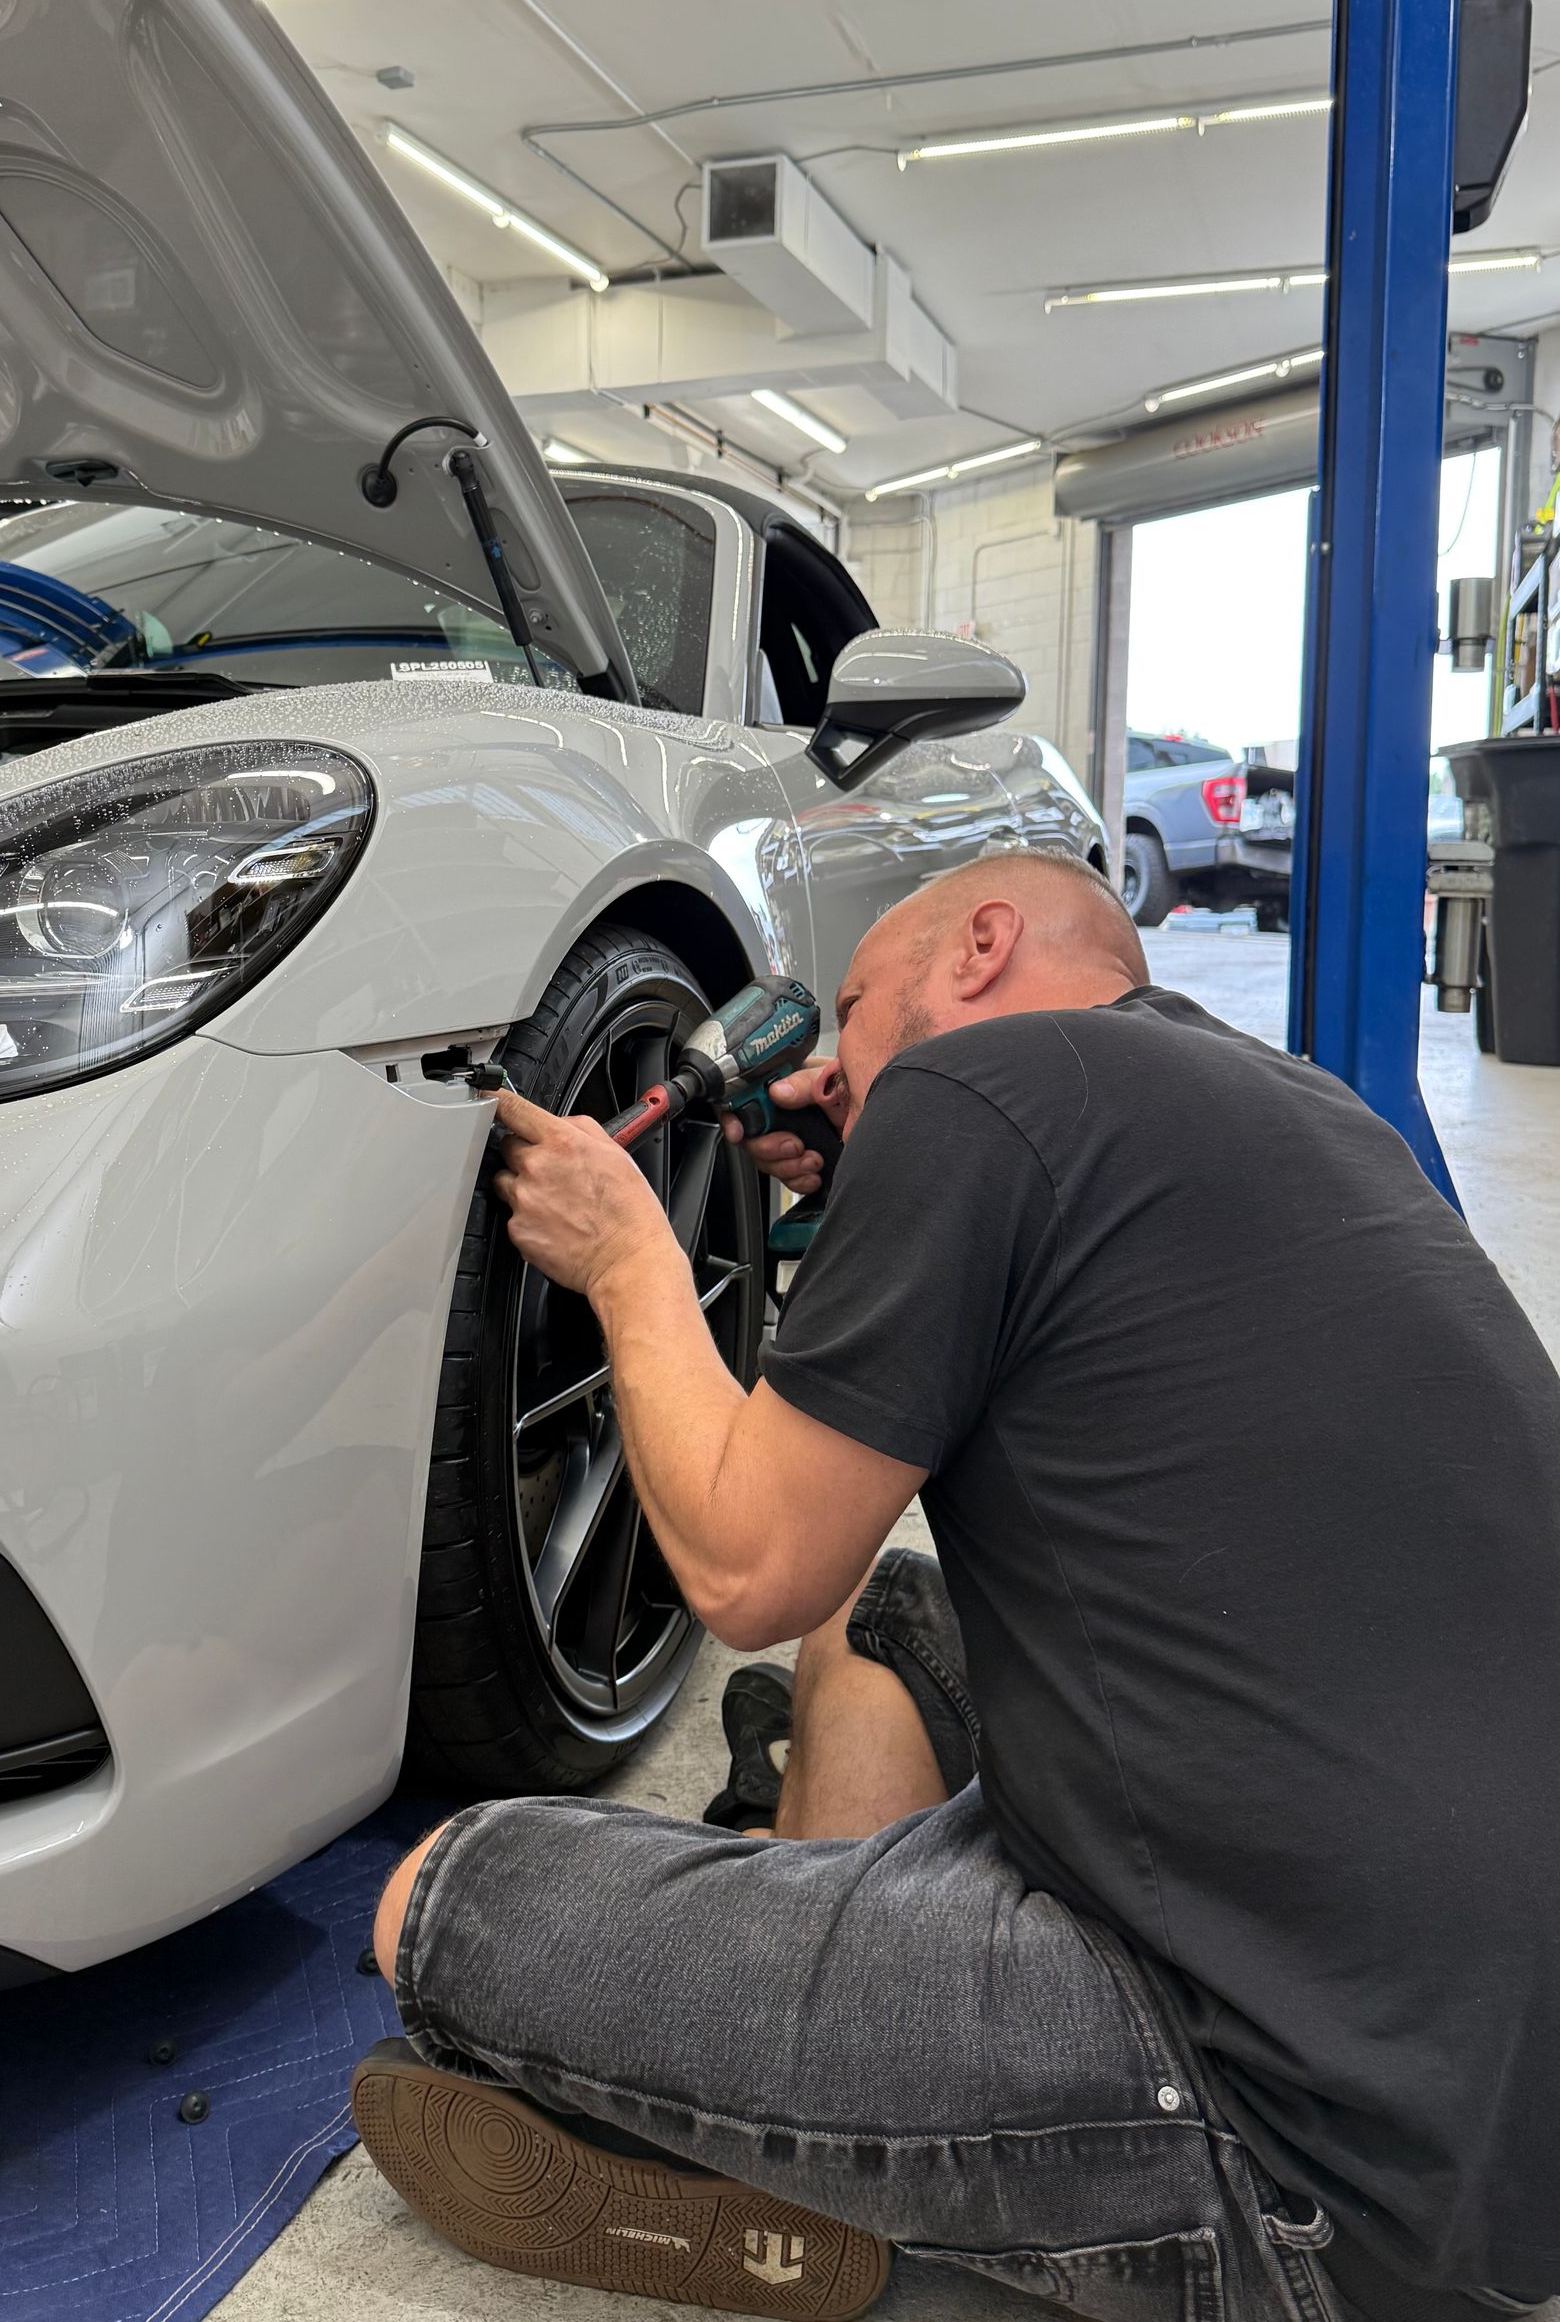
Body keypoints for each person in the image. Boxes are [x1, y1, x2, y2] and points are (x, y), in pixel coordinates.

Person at [357, 851, 1560, 2322]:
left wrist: (630, 1261)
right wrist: (885, 1183)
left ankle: (915, 2216)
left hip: (1286, 2132)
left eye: (851, 1011)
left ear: (980, 947)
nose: (836, 1067)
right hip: (1488, 2096)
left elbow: (746, 1564)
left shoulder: (971, 1089)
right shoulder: (1300, 1106)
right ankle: (836, 2044)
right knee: (877, 1625)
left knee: (445, 1898)